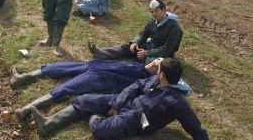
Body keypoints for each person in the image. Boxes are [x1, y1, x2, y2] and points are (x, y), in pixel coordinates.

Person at [31, 59, 209, 140]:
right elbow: (135, 86)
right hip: (125, 102)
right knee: (85, 100)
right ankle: (48, 125)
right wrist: (116, 103)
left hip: (137, 121)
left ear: (162, 74)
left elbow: (195, 128)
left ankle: (99, 116)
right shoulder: (153, 79)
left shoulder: (177, 102)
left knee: (99, 128)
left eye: (158, 67)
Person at [10, 58, 192, 122]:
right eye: (155, 60)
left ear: (161, 73)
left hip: (98, 78)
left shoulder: (147, 80)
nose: (154, 63)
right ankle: (22, 78)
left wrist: (164, 72)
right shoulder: (139, 65)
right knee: (58, 68)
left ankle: (26, 110)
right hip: (94, 65)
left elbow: (183, 87)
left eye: (158, 64)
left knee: (64, 89)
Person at [89, 0, 183, 64]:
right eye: (152, 11)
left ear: (164, 9)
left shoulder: (174, 28)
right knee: (128, 47)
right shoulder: (153, 21)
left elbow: (168, 49)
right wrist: (135, 42)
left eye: (156, 11)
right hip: (147, 48)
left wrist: (147, 53)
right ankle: (101, 53)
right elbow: (143, 34)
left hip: (161, 54)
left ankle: (141, 64)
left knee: (152, 63)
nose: (154, 14)